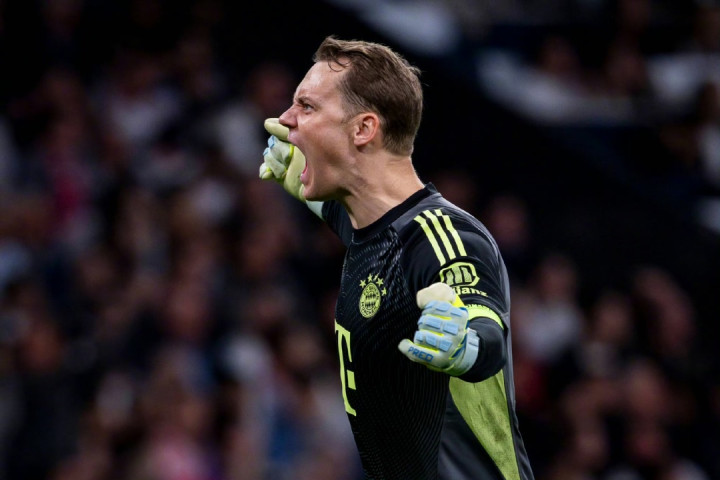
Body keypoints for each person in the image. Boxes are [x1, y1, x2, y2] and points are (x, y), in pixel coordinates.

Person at [259, 36, 534, 480]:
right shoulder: (373, 231)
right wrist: (302, 175)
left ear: (363, 129)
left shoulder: (443, 237)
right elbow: (352, 221)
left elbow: (485, 329)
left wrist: (465, 346)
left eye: (306, 107)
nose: (285, 119)